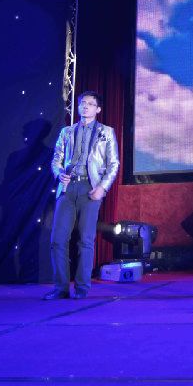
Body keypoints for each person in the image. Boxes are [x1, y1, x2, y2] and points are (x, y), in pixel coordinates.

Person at [44, 91, 119, 300]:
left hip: (90, 187)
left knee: (85, 240)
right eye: (83, 103)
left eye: (90, 104)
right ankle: (61, 288)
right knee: (58, 239)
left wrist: (102, 187)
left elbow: (114, 164)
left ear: (98, 109)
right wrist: (59, 173)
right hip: (68, 188)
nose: (85, 106)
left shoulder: (106, 132)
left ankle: (82, 288)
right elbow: (56, 159)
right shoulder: (66, 132)